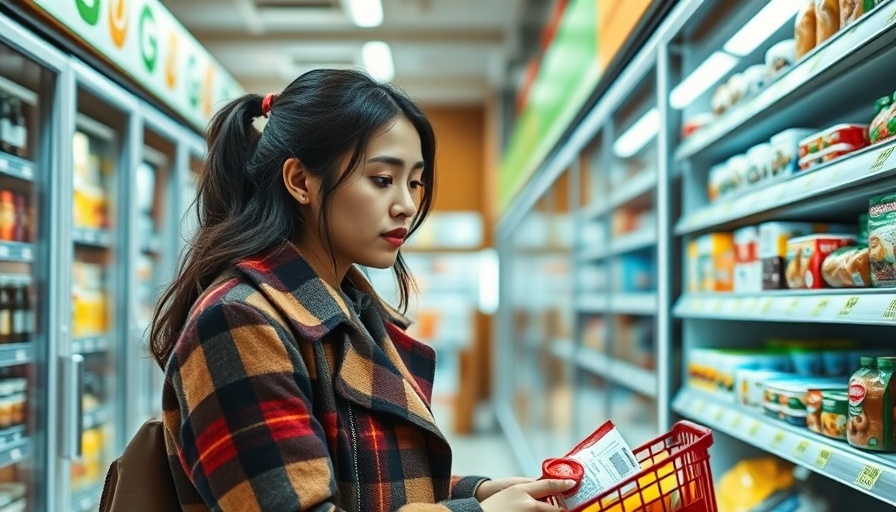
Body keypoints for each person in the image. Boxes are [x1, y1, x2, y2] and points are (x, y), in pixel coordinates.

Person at [150, 68, 575, 511]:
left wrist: (479, 491)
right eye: (381, 179)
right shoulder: (238, 321)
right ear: (300, 182)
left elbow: (364, 480)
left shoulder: (351, 309)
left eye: (414, 181)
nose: (407, 205)